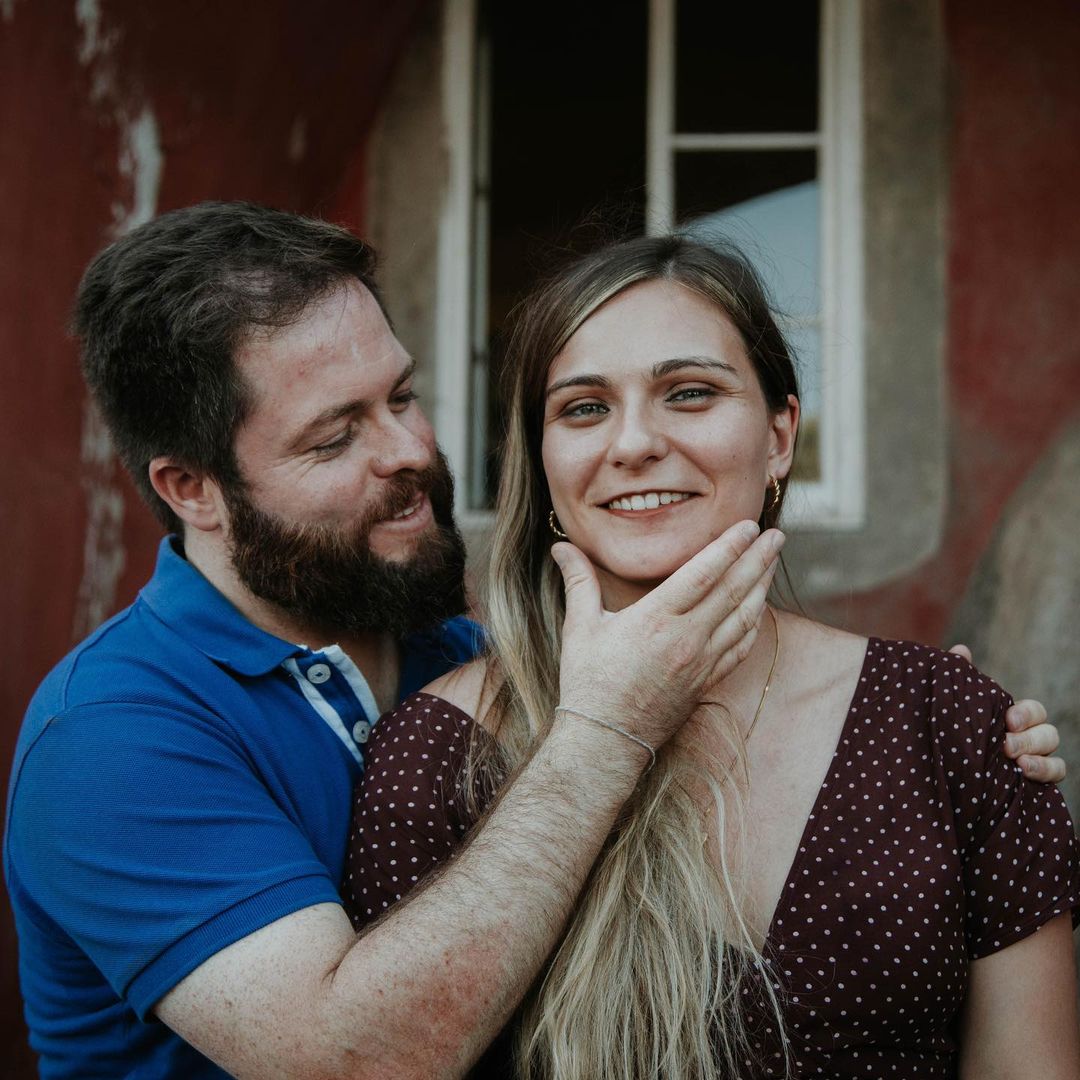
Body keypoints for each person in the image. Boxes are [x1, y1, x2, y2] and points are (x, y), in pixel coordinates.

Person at [1, 203, 1061, 1079]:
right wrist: (610, 726)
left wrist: (919, 736)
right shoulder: (109, 740)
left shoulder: (438, 644)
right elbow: (354, 1065)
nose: (412, 451)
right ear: (193, 492)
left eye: (403, 397)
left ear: (782, 430)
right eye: (335, 435)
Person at [344, 234, 1080, 1079]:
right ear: (542, 462)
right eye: (583, 408)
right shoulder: (433, 758)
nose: (633, 444)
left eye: (689, 393)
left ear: (779, 436)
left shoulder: (946, 723)